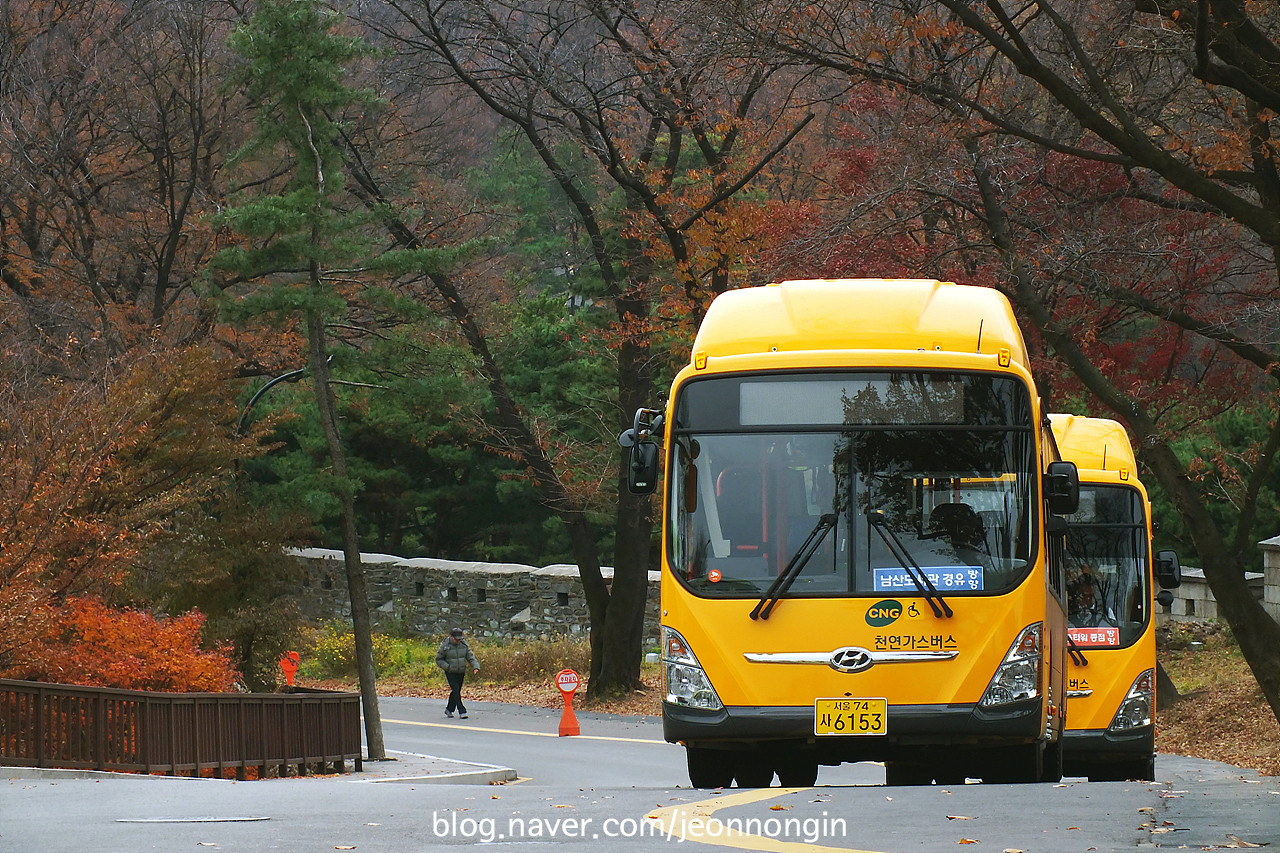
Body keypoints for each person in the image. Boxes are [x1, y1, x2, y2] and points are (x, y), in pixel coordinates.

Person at [435, 627, 481, 719]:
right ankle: (462, 711)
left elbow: (470, 656)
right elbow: (438, 659)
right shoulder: (445, 645)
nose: (458, 641)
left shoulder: (463, 644)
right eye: (456, 639)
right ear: (451, 637)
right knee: (456, 691)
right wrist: (448, 667)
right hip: (450, 672)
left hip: (461, 671)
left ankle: (449, 709)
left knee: (456, 691)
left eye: (459, 639)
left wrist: (476, 666)